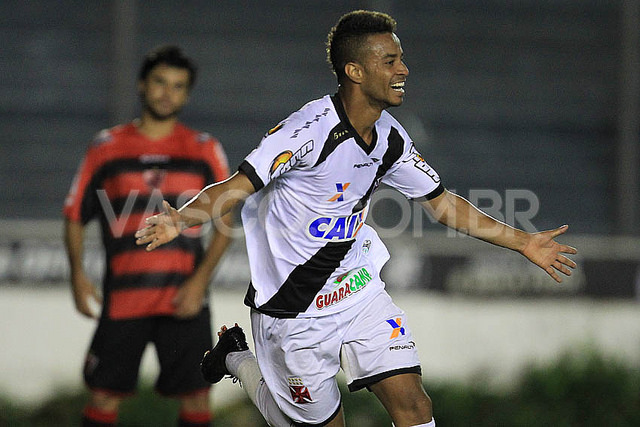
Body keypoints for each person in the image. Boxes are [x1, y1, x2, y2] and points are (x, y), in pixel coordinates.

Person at [135, 11, 577, 427]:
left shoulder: (390, 138)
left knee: (415, 405)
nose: (404, 70)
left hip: (357, 289)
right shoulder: (307, 129)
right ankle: (236, 356)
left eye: (401, 59)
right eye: (390, 61)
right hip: (293, 310)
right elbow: (237, 186)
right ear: (355, 71)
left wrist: (524, 242)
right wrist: (182, 219)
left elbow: (443, 205)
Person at [63, 45, 233, 427]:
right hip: (125, 298)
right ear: (142, 85)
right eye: (160, 82)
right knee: (103, 396)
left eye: (178, 86)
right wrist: (77, 274)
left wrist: (199, 284)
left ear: (187, 94)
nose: (167, 93)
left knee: (197, 397)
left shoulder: (204, 148)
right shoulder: (106, 147)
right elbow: (74, 215)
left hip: (184, 297)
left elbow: (226, 222)